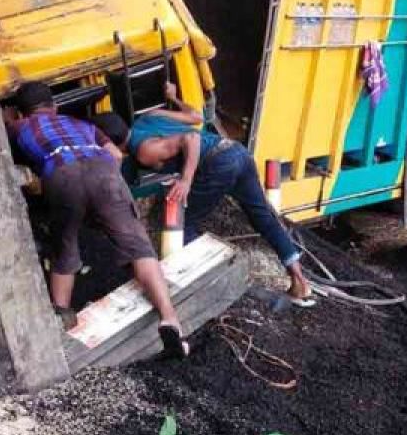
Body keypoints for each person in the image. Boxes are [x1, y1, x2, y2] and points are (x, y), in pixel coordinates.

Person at [6, 81, 189, 359]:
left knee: (64, 249)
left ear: (21, 112)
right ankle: (169, 318)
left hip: (60, 175)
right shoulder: (83, 125)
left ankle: (62, 332)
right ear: (54, 107)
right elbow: (116, 154)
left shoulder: (19, 127)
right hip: (104, 171)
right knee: (138, 248)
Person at [91, 83, 314, 306]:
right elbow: (195, 116)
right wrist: (175, 99)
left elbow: (191, 139)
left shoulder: (144, 151)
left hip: (217, 163)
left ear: (108, 142)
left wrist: (186, 180)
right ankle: (299, 281)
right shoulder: (149, 117)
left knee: (183, 226)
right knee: (262, 216)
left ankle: (222, 284)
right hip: (235, 151)